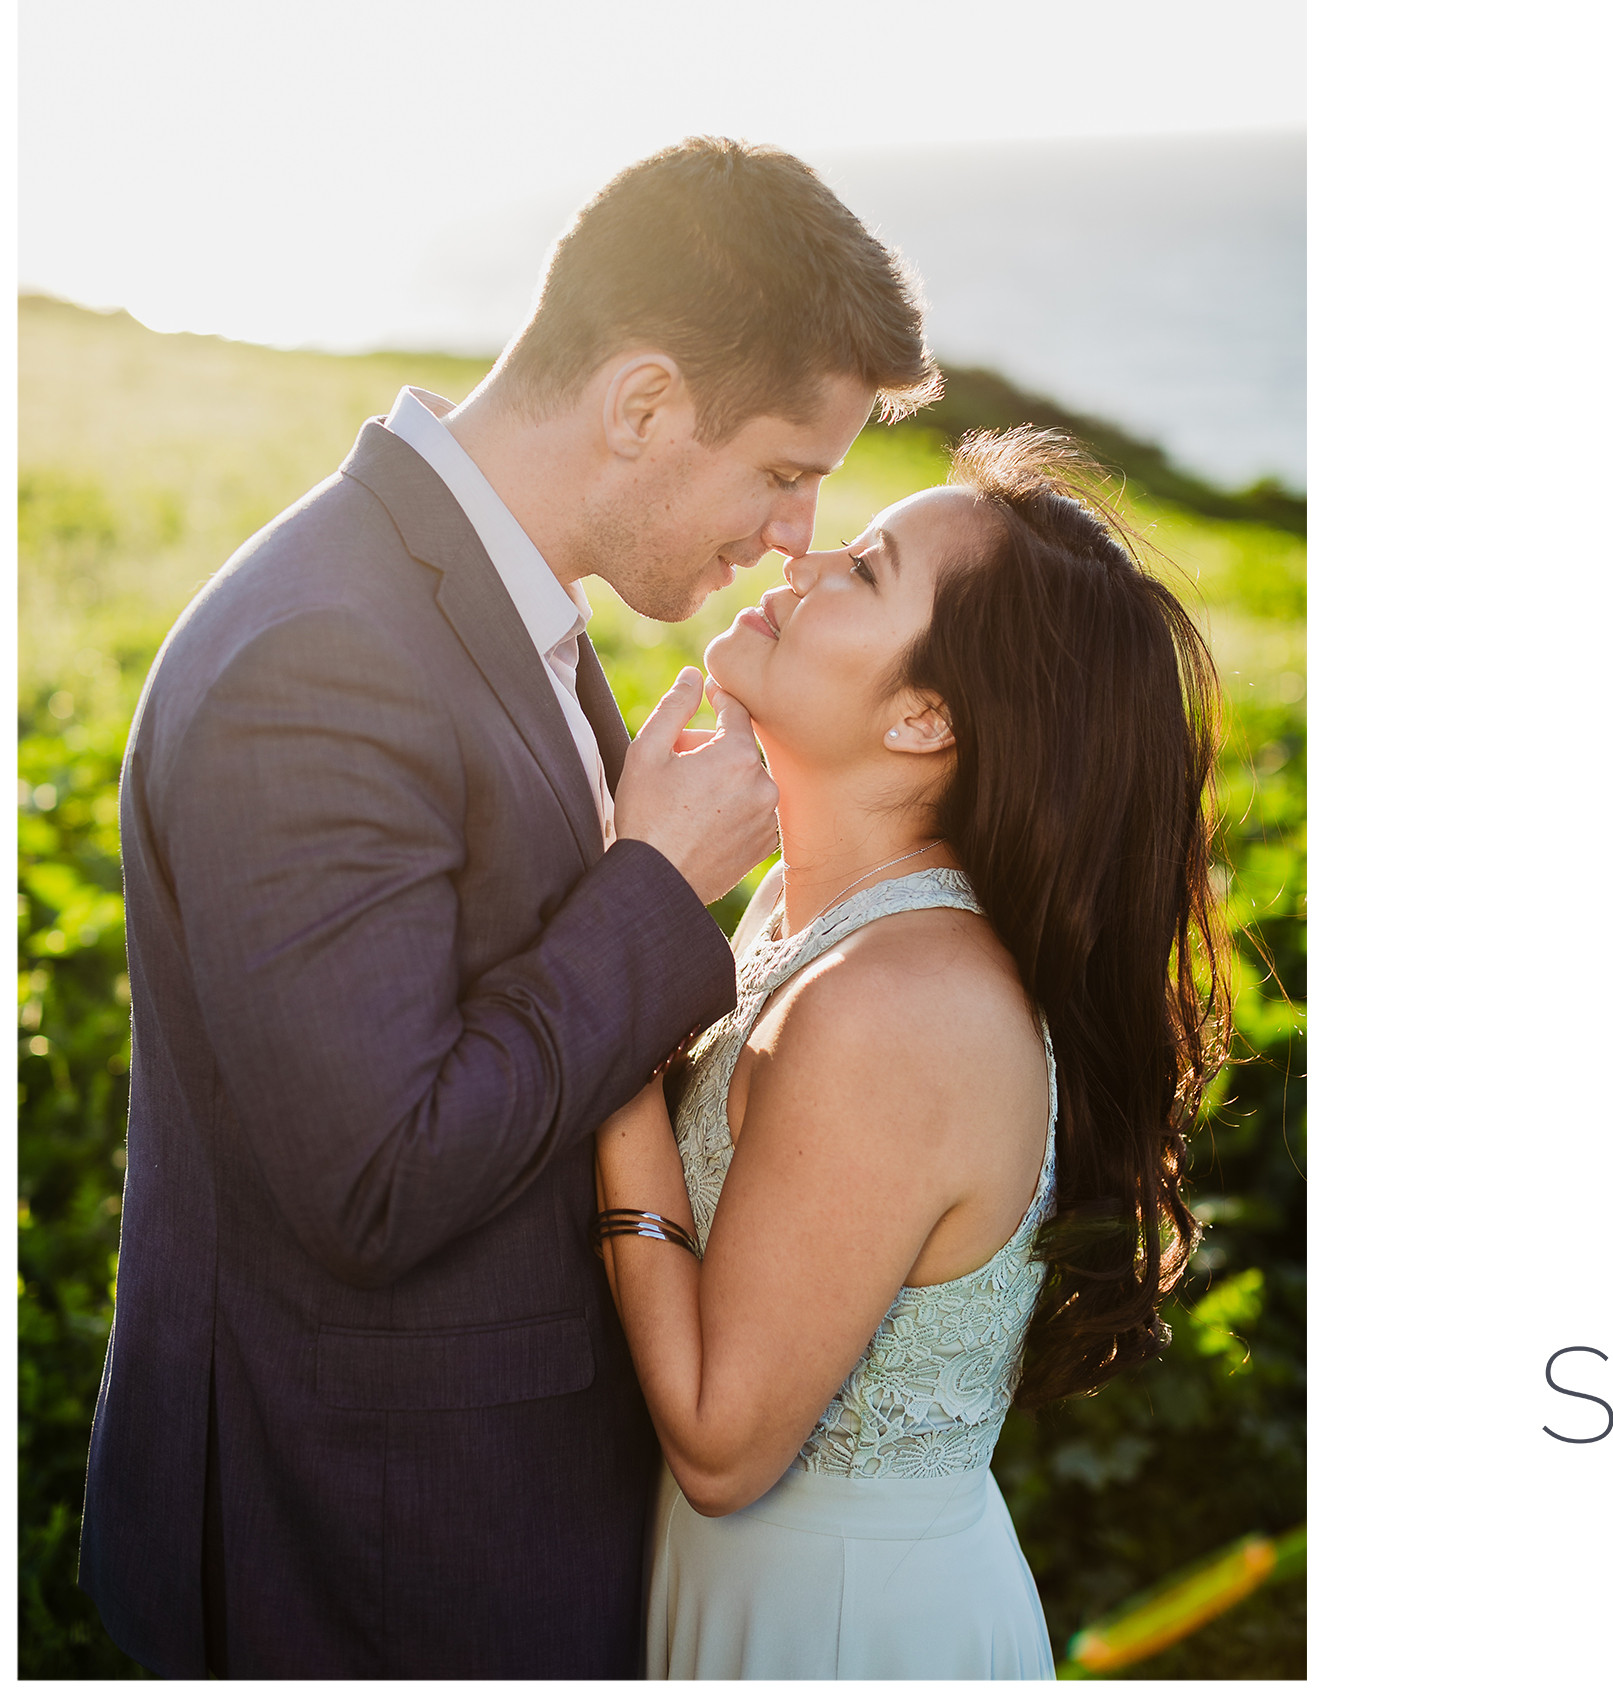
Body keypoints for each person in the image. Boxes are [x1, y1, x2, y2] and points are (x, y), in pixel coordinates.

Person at [81, 138, 940, 1678]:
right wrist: (661, 885)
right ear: (642, 406)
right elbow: (377, 1178)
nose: (793, 536)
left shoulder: (497, 614)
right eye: (785, 473)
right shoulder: (322, 656)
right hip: (367, 1562)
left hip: (465, 1537)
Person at [591, 428, 1231, 1678]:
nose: (803, 559)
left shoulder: (904, 1004)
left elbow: (724, 1447)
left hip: (844, 1626)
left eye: (867, 571)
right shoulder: (799, 910)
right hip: (750, 1594)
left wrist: (605, 1036)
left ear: (925, 716)